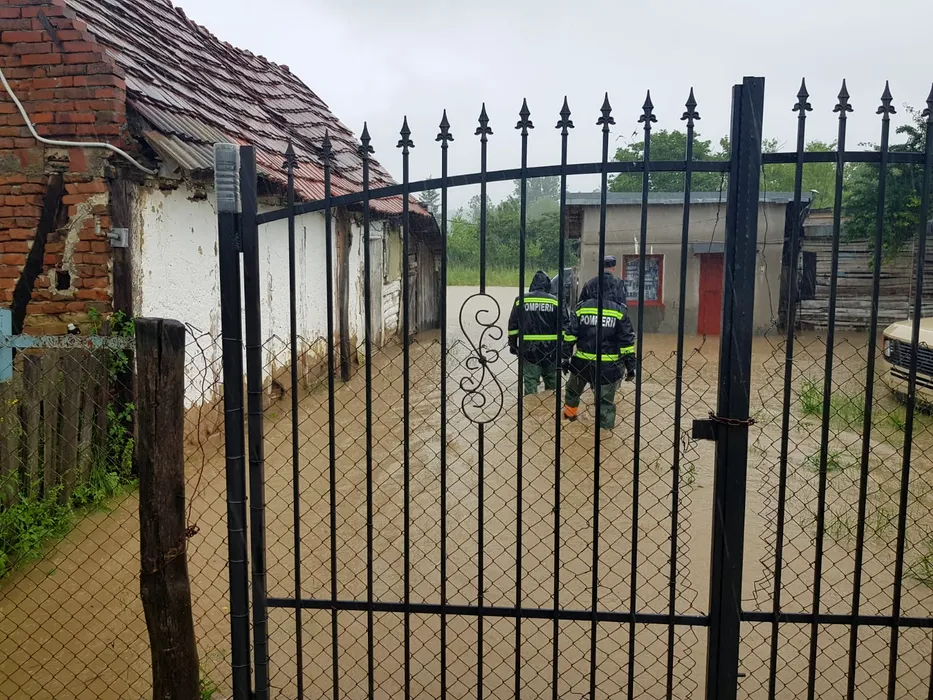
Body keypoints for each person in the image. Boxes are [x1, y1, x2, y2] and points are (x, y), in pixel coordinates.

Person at [562, 276, 636, 430]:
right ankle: (605, 433)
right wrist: (631, 367)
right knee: (605, 404)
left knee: (572, 394)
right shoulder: (619, 310)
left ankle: (569, 420)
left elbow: (570, 336)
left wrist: (564, 358)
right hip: (608, 367)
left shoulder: (581, 308)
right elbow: (626, 342)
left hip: (581, 365)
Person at [508, 270, 574, 396]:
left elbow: (513, 326)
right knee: (552, 384)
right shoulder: (556, 301)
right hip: (552, 350)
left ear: (532, 284)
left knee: (530, 383)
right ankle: (552, 407)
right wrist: (564, 350)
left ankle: (530, 407)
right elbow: (566, 326)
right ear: (548, 285)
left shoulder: (520, 300)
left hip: (528, 350)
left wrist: (512, 345)